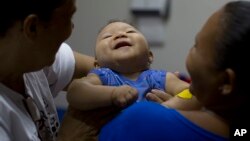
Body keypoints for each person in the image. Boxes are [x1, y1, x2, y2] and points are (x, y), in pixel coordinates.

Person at [98, 1, 250, 141]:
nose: (120, 35)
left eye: (196, 46)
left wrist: (165, 111)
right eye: (108, 36)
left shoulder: (140, 120)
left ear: (226, 82)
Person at [58, 20, 201, 141]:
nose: (120, 34)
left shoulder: (158, 78)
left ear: (149, 56)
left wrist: (167, 108)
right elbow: (76, 91)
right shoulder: (103, 76)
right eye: (107, 36)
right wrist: (112, 94)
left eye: (130, 32)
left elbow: (194, 94)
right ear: (96, 64)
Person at [0, 0, 95, 141]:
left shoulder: (30, 55)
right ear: (32, 28)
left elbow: (101, 68)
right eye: (68, 17)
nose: (71, 28)